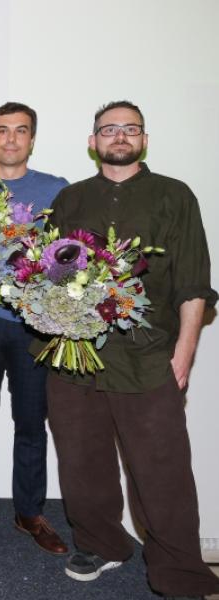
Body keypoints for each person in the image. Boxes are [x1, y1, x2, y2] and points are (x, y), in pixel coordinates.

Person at [44, 100, 219, 598]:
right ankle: (102, 544)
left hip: (148, 356)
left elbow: (192, 280)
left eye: (129, 129)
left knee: (161, 469)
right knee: (81, 462)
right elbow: (46, 276)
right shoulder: (70, 200)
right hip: (76, 359)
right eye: (109, 129)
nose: (119, 136)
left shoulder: (173, 196)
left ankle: (180, 572)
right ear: (93, 140)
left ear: (143, 139)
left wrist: (185, 351)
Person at [0, 102, 69, 556]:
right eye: (2, 131)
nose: (10, 140)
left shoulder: (57, 190)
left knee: (30, 421)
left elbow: (71, 254)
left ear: (32, 139)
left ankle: (30, 512)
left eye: (20, 131)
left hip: (33, 323)